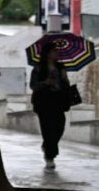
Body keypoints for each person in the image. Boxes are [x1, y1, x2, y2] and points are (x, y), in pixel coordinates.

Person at [30, 42, 70, 170]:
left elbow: (66, 86)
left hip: (58, 102)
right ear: (47, 53)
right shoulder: (39, 68)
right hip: (44, 102)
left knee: (60, 126)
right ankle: (49, 157)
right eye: (54, 51)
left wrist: (65, 78)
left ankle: (47, 146)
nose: (57, 53)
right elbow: (33, 85)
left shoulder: (60, 67)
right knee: (48, 129)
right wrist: (45, 82)